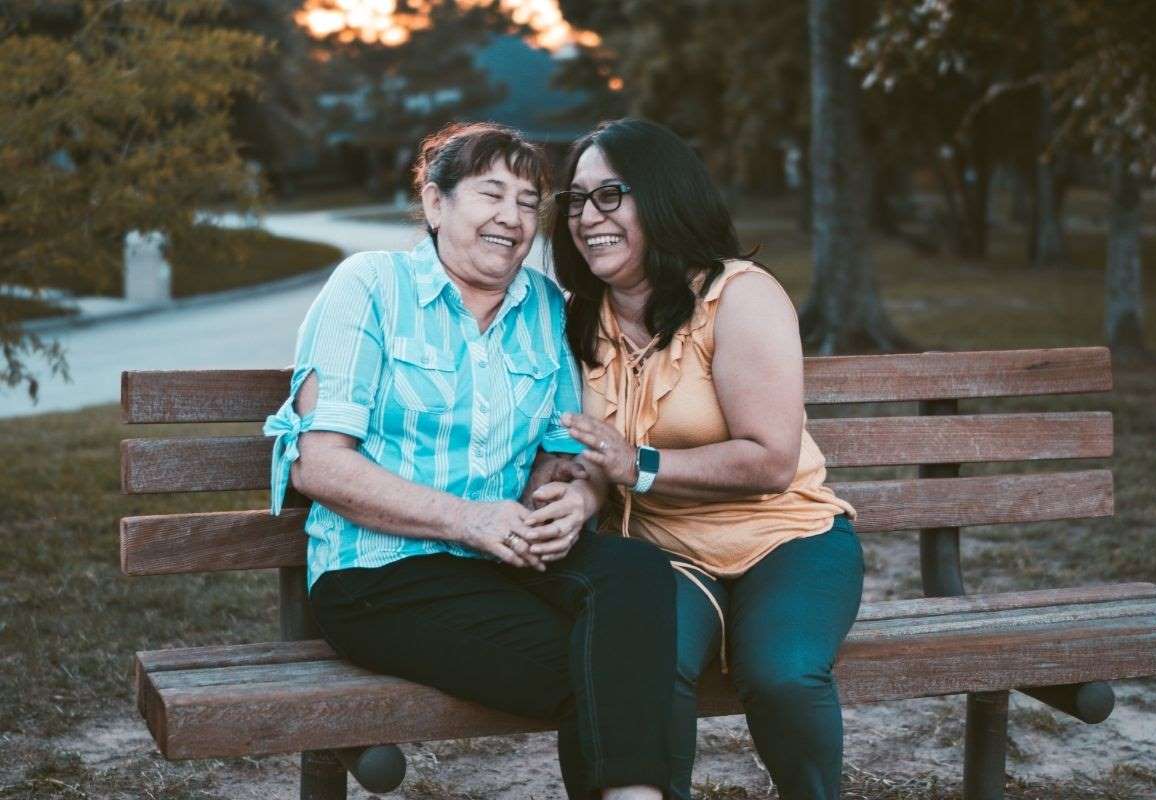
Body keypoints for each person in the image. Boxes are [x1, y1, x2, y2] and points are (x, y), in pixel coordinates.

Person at [262, 122, 676, 800]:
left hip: (502, 560)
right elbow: (319, 465)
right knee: (608, 668)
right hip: (379, 577)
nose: (511, 218)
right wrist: (465, 520)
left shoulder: (545, 307)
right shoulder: (369, 286)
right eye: (491, 194)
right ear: (435, 204)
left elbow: (564, 451)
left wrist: (574, 497)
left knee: (634, 571)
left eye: (526, 200)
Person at [548, 118, 864, 800]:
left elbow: (771, 459)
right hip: (663, 554)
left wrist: (640, 466)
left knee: (781, 673)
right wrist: (578, 489)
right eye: (575, 199)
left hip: (787, 541)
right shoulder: (577, 317)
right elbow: (590, 456)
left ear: (662, 197)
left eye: (610, 195)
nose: (587, 217)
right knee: (636, 673)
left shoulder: (739, 296)